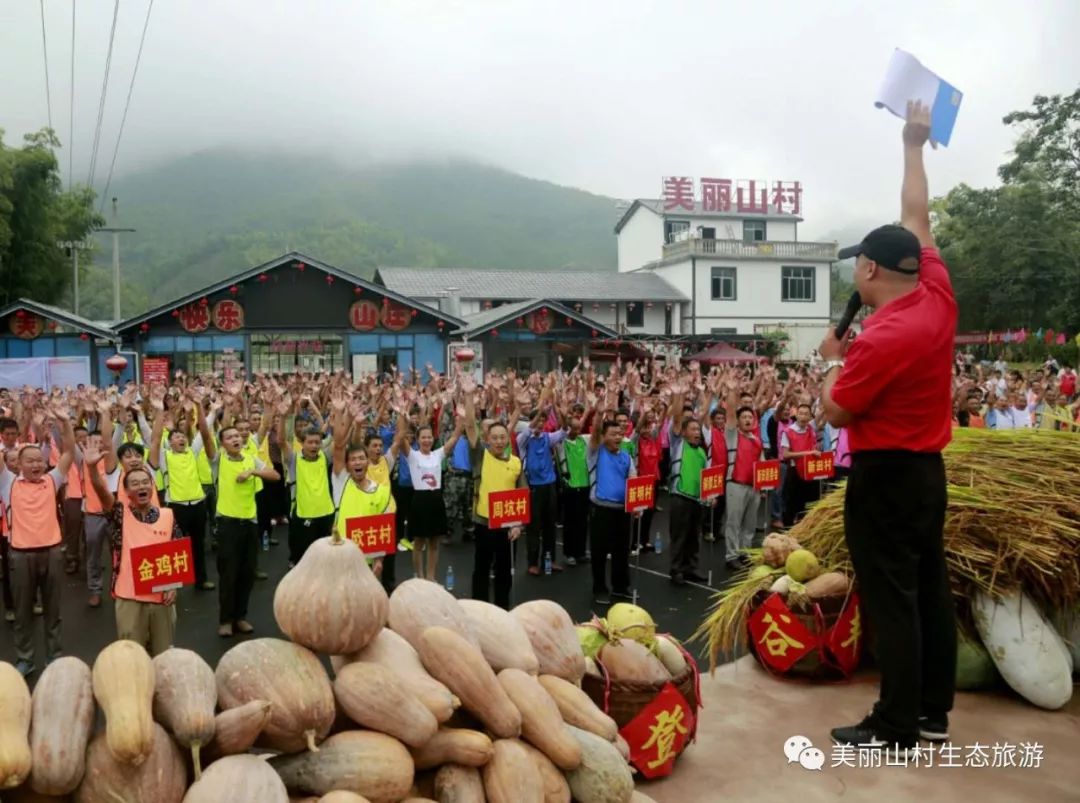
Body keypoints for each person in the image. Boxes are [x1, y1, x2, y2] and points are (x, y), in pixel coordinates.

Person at [821, 100, 957, 751]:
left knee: (893, 596)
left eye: (856, 264)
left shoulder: (879, 339)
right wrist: (913, 145)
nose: (854, 271)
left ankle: (896, 724)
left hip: (885, 477)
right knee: (929, 586)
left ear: (870, 271)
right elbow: (917, 216)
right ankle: (932, 711)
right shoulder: (936, 295)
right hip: (928, 473)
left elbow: (835, 411)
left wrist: (830, 361)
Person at [83, 446, 181, 656]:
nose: (141, 486)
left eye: (146, 482)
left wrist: (173, 586)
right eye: (135, 484)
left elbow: (175, 550)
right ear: (126, 492)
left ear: (153, 487)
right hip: (129, 597)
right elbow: (101, 491)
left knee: (163, 655)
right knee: (132, 656)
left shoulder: (168, 516)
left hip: (161, 597)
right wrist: (91, 468)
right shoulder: (119, 515)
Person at [1, 405, 75, 677]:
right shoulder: (7, 483)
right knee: (22, 613)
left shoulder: (51, 480)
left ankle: (54, 656)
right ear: (18, 465)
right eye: (28, 460)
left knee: (53, 610)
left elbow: (67, 452)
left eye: (38, 460)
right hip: (20, 556)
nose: (35, 464)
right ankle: (26, 658)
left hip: (52, 553)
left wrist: (65, 422)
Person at [463, 377, 524, 610]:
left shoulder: (516, 462)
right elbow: (469, 426)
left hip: (508, 526)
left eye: (502, 437)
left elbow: (523, 494)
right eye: (494, 437)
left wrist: (518, 524)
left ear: (507, 440)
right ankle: (479, 610)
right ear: (487, 440)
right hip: (484, 524)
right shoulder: (481, 456)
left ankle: (501, 610)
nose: (499, 441)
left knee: (504, 572)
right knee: (481, 569)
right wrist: (469, 396)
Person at [213, 424, 280, 637]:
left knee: (247, 573)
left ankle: (240, 617)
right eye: (229, 436)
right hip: (227, 524)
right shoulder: (218, 460)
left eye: (237, 436)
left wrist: (253, 471)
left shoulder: (251, 459)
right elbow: (206, 436)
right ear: (222, 443)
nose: (236, 439)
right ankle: (225, 620)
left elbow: (275, 476)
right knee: (228, 574)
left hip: (250, 522)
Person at [148, 388, 217, 592]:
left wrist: (199, 406)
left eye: (182, 436)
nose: (180, 439)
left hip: (197, 504)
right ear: (169, 442)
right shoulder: (165, 457)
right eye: (176, 437)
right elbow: (154, 438)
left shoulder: (192, 452)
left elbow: (204, 430)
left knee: (197, 545)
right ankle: (170, 585)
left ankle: (201, 579)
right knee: (173, 545)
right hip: (175, 506)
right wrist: (160, 412)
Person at [399, 415, 463, 581]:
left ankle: (431, 576)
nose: (426, 440)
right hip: (419, 501)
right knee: (419, 543)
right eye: (423, 437)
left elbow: (455, 437)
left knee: (434, 543)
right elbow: (400, 436)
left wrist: (461, 418)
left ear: (433, 438)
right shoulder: (412, 455)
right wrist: (401, 415)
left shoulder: (438, 454)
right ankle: (419, 576)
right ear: (418, 439)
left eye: (429, 437)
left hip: (436, 500)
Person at [277, 396, 335, 567]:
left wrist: (339, 414)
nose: (314, 446)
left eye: (317, 442)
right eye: (310, 442)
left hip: (326, 514)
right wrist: (282, 416)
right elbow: (281, 441)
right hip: (303, 515)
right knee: (304, 557)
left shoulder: (325, 457)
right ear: (303, 443)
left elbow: (338, 440)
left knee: (326, 556)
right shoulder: (294, 460)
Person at [516, 381, 566, 576]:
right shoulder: (523, 439)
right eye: (537, 421)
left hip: (550, 486)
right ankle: (532, 562)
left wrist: (554, 406)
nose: (540, 425)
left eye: (542, 422)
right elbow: (529, 429)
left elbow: (564, 430)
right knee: (534, 527)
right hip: (533, 488)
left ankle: (550, 559)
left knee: (549, 526)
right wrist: (541, 404)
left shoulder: (548, 437)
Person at [587, 410, 636, 606]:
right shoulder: (596, 452)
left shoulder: (626, 456)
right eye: (613, 434)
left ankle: (620, 587)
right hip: (601, 509)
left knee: (622, 551)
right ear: (604, 437)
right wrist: (598, 410)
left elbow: (633, 479)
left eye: (620, 434)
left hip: (622, 510)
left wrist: (636, 504)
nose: (618, 437)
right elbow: (595, 432)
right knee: (599, 552)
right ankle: (599, 588)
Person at [666, 385, 710, 585]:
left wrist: (711, 495)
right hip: (679, 497)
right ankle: (676, 570)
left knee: (694, 537)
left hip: (697, 499)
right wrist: (679, 394)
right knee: (679, 537)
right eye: (692, 429)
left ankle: (691, 568)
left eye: (698, 429)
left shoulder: (702, 451)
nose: (697, 432)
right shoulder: (677, 443)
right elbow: (676, 418)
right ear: (682, 432)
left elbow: (707, 477)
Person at [556, 404, 591, 566]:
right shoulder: (561, 443)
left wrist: (591, 409)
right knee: (570, 522)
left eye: (579, 429)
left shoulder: (583, 441)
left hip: (584, 486)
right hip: (569, 487)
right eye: (574, 429)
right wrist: (563, 415)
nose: (577, 432)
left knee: (583, 521)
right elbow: (562, 427)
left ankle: (581, 552)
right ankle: (569, 553)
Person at [779, 402, 821, 527]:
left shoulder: (811, 430)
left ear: (810, 417)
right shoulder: (788, 432)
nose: (803, 417)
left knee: (809, 506)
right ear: (796, 415)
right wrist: (809, 453)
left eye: (806, 414)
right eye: (801, 414)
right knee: (791, 505)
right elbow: (785, 454)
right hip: (794, 472)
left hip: (810, 471)